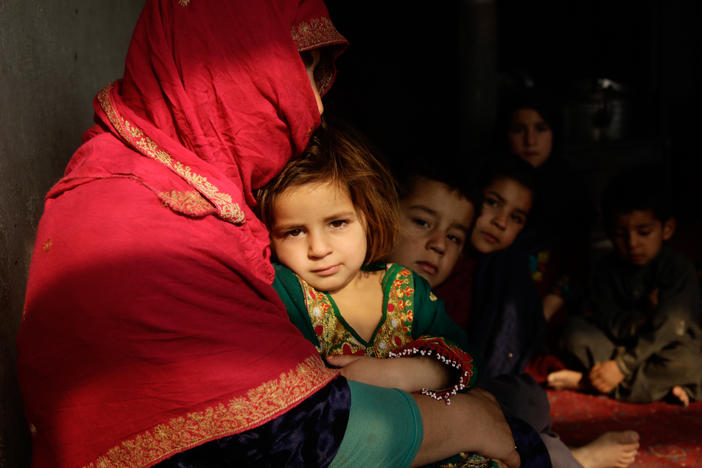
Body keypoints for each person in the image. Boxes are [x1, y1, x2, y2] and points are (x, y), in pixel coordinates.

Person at [16, 1, 520, 467]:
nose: (316, 107)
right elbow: (291, 434)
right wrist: (463, 419)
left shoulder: (162, 189)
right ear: (227, 63)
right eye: (296, 66)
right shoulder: (141, 216)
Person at [258, 124, 503, 468]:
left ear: (368, 215)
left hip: (433, 443)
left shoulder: (407, 287)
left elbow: (464, 357)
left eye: (337, 223)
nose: (319, 249)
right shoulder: (284, 290)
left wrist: (407, 373)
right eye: (294, 231)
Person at [390, 158, 641, 468]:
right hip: (416, 411)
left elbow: (471, 357)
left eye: (516, 217)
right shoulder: (388, 281)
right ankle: (569, 456)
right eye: (493, 203)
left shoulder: (504, 271)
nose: (500, 222)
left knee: (527, 399)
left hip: (466, 391)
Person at [548, 167, 702, 407]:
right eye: (620, 234)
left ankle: (586, 382)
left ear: (667, 229)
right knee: (574, 335)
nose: (632, 243)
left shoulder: (678, 269)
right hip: (620, 346)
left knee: (687, 362)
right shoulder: (606, 267)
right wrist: (643, 320)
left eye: (644, 232)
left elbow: (671, 327)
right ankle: (654, 387)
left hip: (665, 347)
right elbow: (605, 316)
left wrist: (621, 366)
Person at [497, 89, 594, 324]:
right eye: (519, 130)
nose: (530, 141)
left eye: (541, 129)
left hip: (553, 308)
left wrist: (545, 310)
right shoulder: (492, 185)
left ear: (555, 133)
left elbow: (579, 263)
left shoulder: (572, 189)